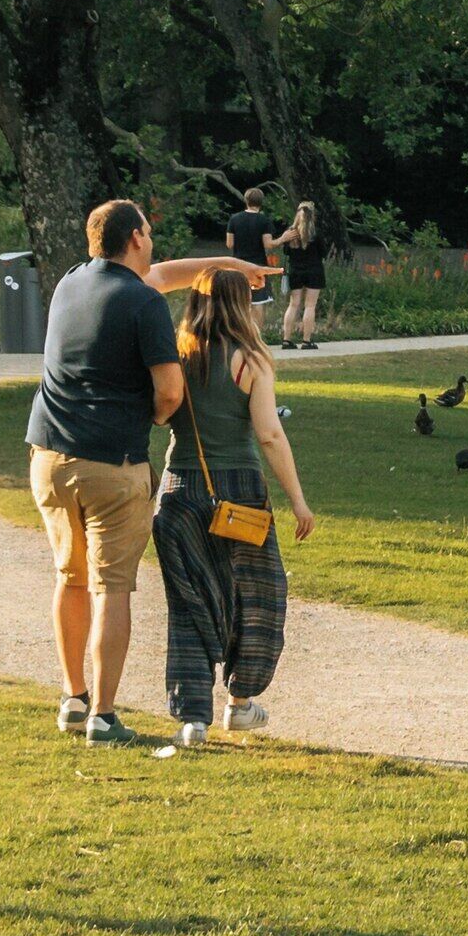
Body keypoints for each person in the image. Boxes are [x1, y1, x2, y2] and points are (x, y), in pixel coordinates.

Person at [27, 202, 255, 745]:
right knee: (113, 587)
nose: (153, 244)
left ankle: (73, 698)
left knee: (70, 575)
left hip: (48, 459)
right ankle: (105, 717)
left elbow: (164, 272)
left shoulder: (72, 283)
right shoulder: (145, 303)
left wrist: (226, 264)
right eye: (149, 234)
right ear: (135, 238)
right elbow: (171, 391)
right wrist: (150, 415)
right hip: (112, 464)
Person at [154, 265, 311, 749]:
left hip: (180, 489)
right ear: (243, 306)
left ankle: (193, 718)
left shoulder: (175, 355)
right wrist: (298, 501)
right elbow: (268, 433)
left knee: (190, 601)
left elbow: (160, 414)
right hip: (239, 491)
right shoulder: (252, 361)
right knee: (257, 596)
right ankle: (240, 703)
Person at [273, 200, 331, 350]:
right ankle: (306, 341)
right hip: (314, 271)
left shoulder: (290, 233)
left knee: (293, 305)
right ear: (312, 216)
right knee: (310, 306)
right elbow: (323, 253)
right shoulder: (315, 234)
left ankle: (286, 339)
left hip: (295, 271)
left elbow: (286, 252)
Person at [223, 187, 277, 304]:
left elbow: (229, 244)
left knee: (239, 300)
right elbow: (268, 244)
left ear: (246, 200)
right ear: (261, 202)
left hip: (238, 264)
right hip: (258, 264)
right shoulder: (264, 220)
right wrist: (283, 239)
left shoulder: (234, 219)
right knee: (258, 302)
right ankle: (257, 323)